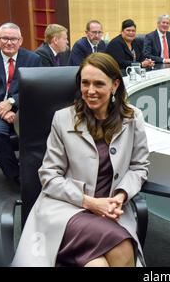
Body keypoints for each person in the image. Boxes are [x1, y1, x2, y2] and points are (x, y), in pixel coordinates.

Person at [12, 52, 149, 267]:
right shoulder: (63, 118)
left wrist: (121, 196)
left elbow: (139, 167)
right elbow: (48, 176)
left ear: (114, 85)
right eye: (85, 83)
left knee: (97, 265)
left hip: (112, 210)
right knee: (122, 247)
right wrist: (91, 203)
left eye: (98, 84)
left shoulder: (132, 117)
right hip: (68, 210)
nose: (90, 91)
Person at [0, 22, 41, 184]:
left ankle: (42, 173)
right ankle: (17, 177)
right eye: (5, 38)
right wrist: (2, 110)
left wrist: (12, 102)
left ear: (20, 41)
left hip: (23, 109)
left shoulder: (33, 59)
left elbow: (36, 89)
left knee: (45, 128)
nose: (9, 42)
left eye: (13, 39)